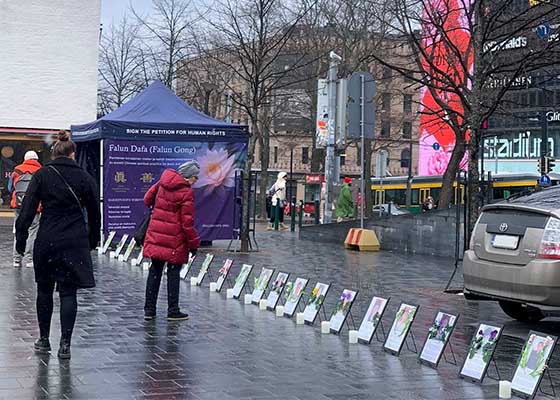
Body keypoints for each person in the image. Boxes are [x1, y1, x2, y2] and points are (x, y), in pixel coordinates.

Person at [16, 130, 101, 359]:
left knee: (44, 290)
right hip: (74, 240)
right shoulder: (85, 178)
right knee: (68, 292)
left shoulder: (42, 175)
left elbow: (27, 211)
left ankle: (44, 339)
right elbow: (95, 214)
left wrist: (21, 242)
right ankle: (65, 343)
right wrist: (92, 241)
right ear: (73, 154)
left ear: (54, 154)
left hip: (47, 239)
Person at [143, 160, 201, 321]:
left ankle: (149, 310)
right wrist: (194, 243)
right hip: (175, 239)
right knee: (173, 273)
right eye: (195, 178)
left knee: (155, 271)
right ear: (188, 177)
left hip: (156, 234)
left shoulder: (162, 182)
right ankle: (173, 310)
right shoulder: (186, 192)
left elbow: (147, 199)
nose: (196, 181)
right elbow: (187, 223)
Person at [11, 151, 42, 268]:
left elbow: (10, 187)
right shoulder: (40, 171)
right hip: (34, 206)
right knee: (33, 231)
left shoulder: (17, 170)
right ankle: (29, 260)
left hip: (18, 205)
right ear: (36, 159)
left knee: (18, 230)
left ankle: (17, 259)